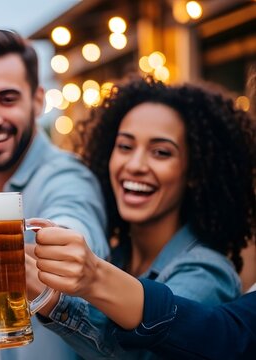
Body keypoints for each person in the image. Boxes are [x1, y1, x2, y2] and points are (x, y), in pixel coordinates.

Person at [31, 76, 253, 359]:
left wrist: (53, 299)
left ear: (196, 172)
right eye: (125, 146)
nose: (135, 165)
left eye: (161, 152)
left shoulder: (207, 272)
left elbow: (138, 355)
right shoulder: (116, 257)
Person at [0, 28, 108, 360]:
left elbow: (76, 228)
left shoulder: (66, 175)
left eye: (7, 99)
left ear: (38, 99)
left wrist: (65, 247)